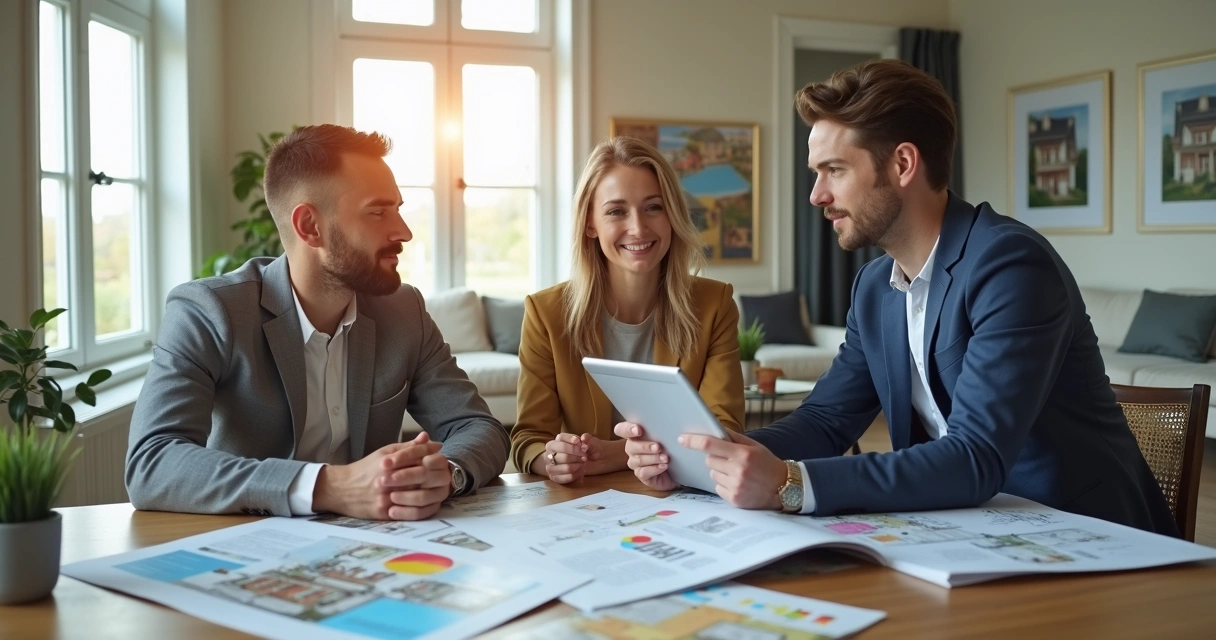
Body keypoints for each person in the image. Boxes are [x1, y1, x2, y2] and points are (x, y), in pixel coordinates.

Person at [617, 60, 1178, 536]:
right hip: (970, 528)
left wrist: (790, 484)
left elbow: (976, 457)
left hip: (1084, 536)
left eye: (834, 170)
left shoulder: (1010, 266)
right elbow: (826, 420)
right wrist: (710, 456)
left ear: (903, 165)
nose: (817, 195)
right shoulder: (874, 287)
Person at [126, 124, 509, 520]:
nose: (404, 232)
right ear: (309, 226)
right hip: (250, 543)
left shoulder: (404, 310)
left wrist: (444, 474)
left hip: (375, 548)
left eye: (397, 209)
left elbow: (479, 428)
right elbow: (152, 462)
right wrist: (332, 486)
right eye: (377, 212)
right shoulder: (209, 311)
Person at [510, 136, 745, 483]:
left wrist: (614, 454)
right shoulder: (546, 313)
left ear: (672, 215)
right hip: (584, 502)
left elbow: (721, 433)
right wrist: (555, 459)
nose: (638, 227)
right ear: (590, 223)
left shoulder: (714, 305)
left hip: (680, 496)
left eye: (653, 207)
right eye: (616, 211)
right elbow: (529, 439)